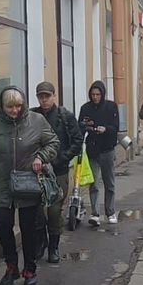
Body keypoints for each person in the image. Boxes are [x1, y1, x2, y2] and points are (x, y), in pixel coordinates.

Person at [0, 86, 59, 285]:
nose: (14, 111)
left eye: (18, 106)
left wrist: (40, 157)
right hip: (2, 184)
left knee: (29, 229)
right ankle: (11, 267)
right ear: (2, 106)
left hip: (28, 182)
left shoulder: (36, 121)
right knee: (3, 226)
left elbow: (53, 143)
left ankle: (30, 269)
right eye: (10, 107)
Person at [31, 81, 82, 263]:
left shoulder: (64, 116)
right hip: (36, 171)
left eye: (47, 96)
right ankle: (41, 242)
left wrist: (62, 158)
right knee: (37, 212)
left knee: (53, 211)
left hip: (58, 172)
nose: (44, 100)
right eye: (41, 97)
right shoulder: (32, 115)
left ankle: (54, 247)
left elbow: (77, 141)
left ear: (54, 96)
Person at [78, 80, 120, 225]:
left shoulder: (111, 107)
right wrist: (87, 128)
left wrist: (105, 129)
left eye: (98, 94)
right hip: (92, 149)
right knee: (94, 183)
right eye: (93, 94)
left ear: (102, 94)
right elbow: (80, 126)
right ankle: (95, 213)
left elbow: (115, 127)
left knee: (109, 182)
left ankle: (110, 212)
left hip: (107, 149)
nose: (95, 97)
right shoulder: (85, 108)